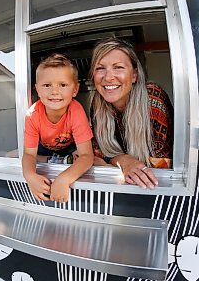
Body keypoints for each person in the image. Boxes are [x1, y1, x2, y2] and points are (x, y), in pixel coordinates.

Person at [89, 37, 173, 189]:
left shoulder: (152, 96)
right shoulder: (97, 104)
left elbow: (158, 167)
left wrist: (116, 161)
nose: (108, 77)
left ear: (134, 75)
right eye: (100, 68)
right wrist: (124, 161)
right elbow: (97, 156)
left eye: (118, 67)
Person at [23, 53, 94, 202]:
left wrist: (64, 179)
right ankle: (57, 159)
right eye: (47, 85)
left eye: (62, 85)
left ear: (75, 90)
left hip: (69, 145)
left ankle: (60, 159)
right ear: (37, 89)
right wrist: (30, 176)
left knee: (85, 159)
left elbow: (87, 156)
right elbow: (29, 155)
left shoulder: (76, 110)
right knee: (16, 156)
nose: (54, 91)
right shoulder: (32, 115)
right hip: (44, 145)